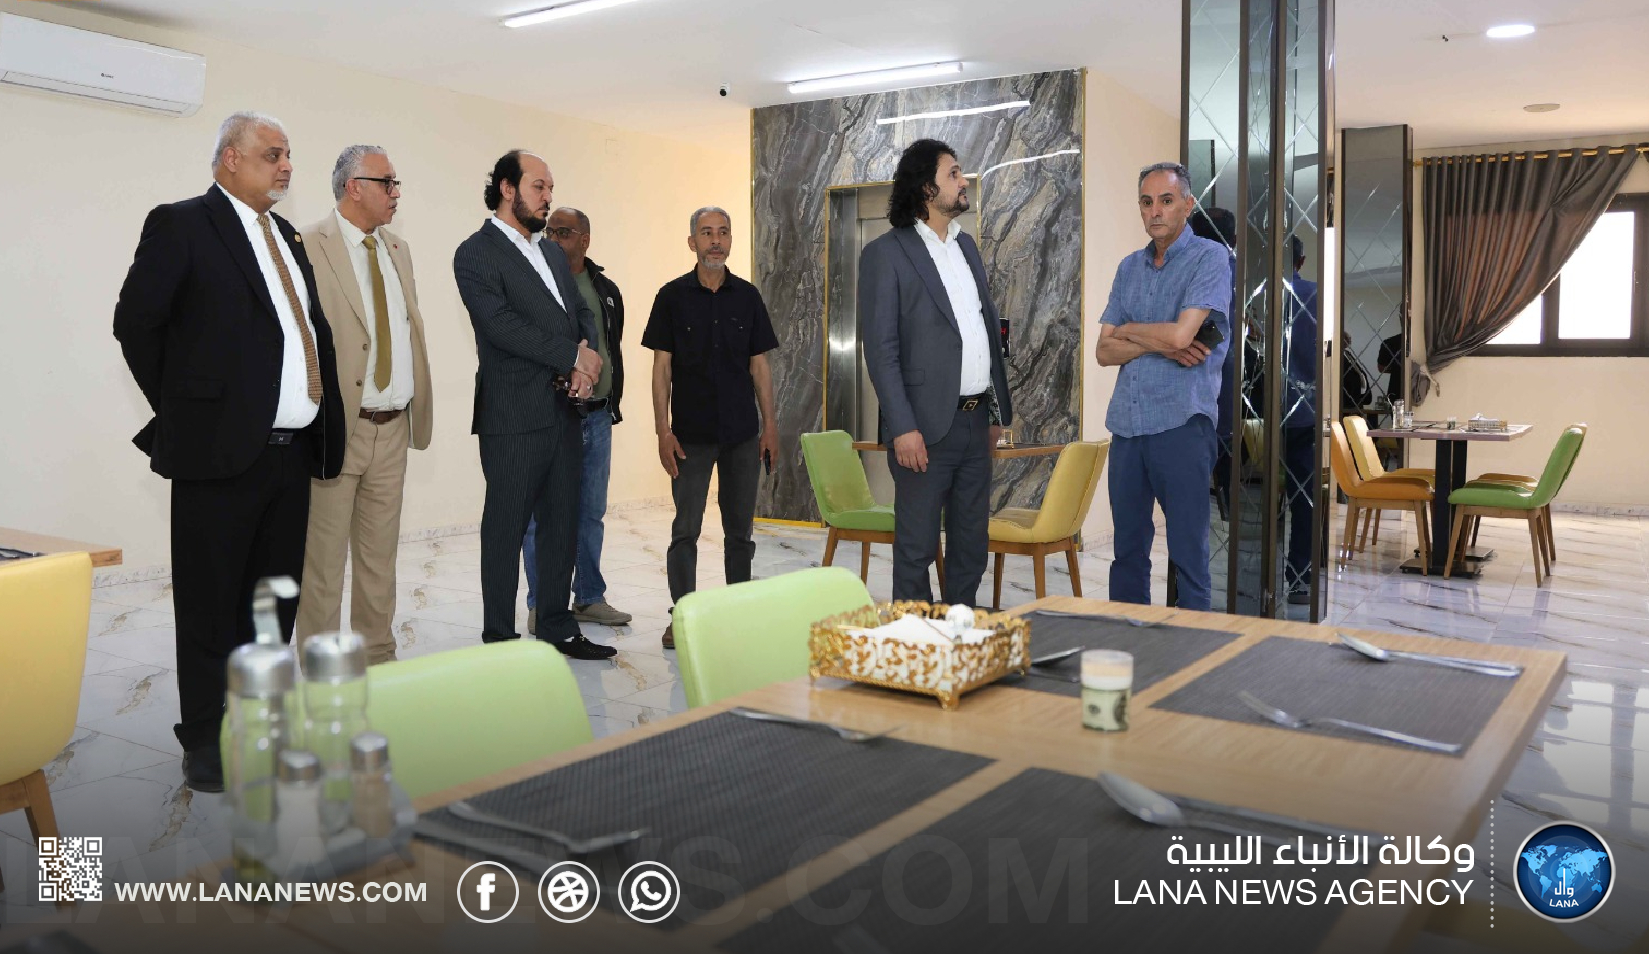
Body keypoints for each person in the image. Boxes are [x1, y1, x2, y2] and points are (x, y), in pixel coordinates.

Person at [113, 111, 346, 792]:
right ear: (229, 159)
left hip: (290, 456)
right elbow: (135, 323)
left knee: (271, 604)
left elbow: (303, 332)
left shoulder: (286, 236)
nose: (286, 166)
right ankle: (205, 739)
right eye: (273, 154)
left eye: (289, 154)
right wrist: (191, 409)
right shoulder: (183, 224)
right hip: (216, 456)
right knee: (210, 606)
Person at [452, 149, 614, 660]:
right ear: (507, 188)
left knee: (562, 522)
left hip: (564, 410)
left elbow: (580, 313)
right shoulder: (475, 253)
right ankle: (499, 638)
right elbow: (501, 326)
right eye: (538, 187)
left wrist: (584, 363)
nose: (547, 197)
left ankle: (557, 626)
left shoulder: (551, 254)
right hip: (512, 415)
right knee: (506, 527)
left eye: (550, 188)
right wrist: (570, 356)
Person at [294, 146, 434, 663]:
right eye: (387, 182)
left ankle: (377, 655)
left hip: (392, 426)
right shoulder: (307, 244)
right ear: (354, 187)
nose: (396, 193)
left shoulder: (398, 249)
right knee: (323, 561)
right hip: (338, 426)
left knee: (379, 557)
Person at [859, 138, 1013, 606]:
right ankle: (915, 640)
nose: (963, 181)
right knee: (916, 549)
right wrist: (903, 427)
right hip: (922, 429)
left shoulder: (966, 247)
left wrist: (995, 413)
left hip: (975, 424)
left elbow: (984, 332)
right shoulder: (886, 253)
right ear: (927, 188)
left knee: (971, 546)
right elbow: (881, 351)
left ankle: (960, 633)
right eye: (953, 174)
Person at [1096, 162, 1233, 611]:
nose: (1155, 211)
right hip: (1127, 426)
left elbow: (1181, 337)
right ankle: (1129, 641)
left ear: (1187, 205)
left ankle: (1193, 649)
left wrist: (1129, 331)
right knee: (1127, 554)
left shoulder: (1209, 258)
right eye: (1146, 201)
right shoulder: (1128, 268)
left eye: (1166, 200)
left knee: (1189, 556)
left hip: (1182, 424)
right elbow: (1103, 351)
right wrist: (1161, 341)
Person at [642, 207, 779, 649]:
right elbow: (661, 369)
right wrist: (662, 431)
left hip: (741, 435)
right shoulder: (671, 297)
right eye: (706, 233)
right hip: (690, 436)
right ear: (692, 242)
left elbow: (760, 367)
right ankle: (682, 617)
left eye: (722, 232)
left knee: (740, 533)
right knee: (685, 529)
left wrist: (770, 427)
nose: (715, 241)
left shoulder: (748, 297)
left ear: (731, 240)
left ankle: (737, 613)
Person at [521, 208, 632, 635]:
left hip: (597, 415)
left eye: (563, 232)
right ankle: (541, 603)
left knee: (590, 512)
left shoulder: (605, 289)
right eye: (549, 230)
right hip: (552, 415)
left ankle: (588, 596)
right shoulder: (534, 282)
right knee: (541, 516)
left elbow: (610, 347)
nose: (553, 237)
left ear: (585, 239)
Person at [1282, 235, 1320, 605]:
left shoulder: (1257, 295)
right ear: (1302, 260)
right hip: (1304, 410)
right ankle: (1300, 576)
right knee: (1303, 497)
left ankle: (1250, 574)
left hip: (1257, 412)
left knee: (1253, 495)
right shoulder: (1315, 295)